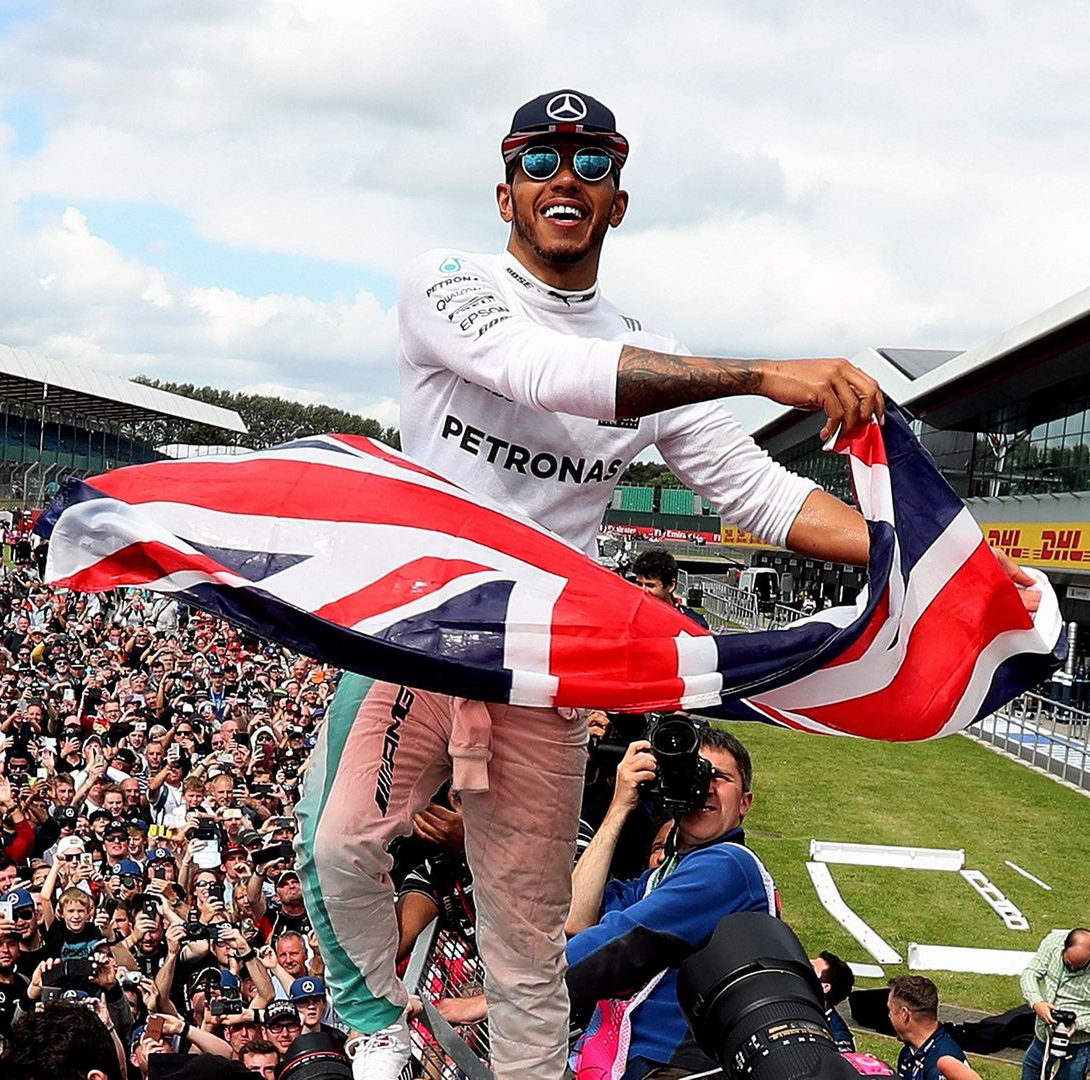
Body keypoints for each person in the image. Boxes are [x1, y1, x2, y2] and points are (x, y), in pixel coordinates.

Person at [294, 85, 912, 1079]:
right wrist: (760, 374)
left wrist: (912, 551)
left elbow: (756, 491)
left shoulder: (647, 346)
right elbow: (544, 370)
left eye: (591, 164)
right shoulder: (448, 284)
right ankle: (373, 1028)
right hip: (431, 630)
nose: (564, 178)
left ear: (618, 201)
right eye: (538, 161)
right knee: (339, 846)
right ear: (506, 195)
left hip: (541, 664)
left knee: (526, 917)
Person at [561, 724, 774, 1080]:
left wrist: (513, 994)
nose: (704, 786)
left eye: (719, 777)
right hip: (635, 1064)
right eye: (693, 773)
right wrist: (619, 806)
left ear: (745, 803)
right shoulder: (660, 877)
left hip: (677, 1068)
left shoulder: (729, 866)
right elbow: (575, 920)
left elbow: (622, 939)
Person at [1018, 928, 1090, 1080]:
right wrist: (1037, 1003)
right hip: (1042, 1038)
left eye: (1080, 966)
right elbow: (1030, 973)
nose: (1074, 968)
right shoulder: (1053, 943)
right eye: (1069, 963)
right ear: (1064, 947)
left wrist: (1077, 1024)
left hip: (1079, 1047)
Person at [888, 975, 981, 1080]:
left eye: (890, 1010)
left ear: (904, 1014)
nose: (889, 1015)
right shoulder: (910, 1052)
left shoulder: (939, 1067)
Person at [629, 549, 707, 629]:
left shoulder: (695, 624)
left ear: (671, 585)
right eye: (639, 584)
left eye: (650, 585)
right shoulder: (628, 618)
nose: (643, 590)